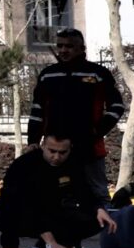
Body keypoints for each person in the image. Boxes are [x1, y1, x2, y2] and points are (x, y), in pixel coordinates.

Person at [0, 130, 115, 248]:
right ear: (43, 146)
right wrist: (50, 240)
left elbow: (83, 191)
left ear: (70, 149)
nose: (57, 157)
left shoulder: (72, 164)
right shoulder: (24, 165)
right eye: (52, 151)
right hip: (20, 212)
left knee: (96, 220)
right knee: (8, 211)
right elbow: (27, 205)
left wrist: (99, 209)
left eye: (62, 153)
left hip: (52, 211)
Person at [27, 28, 120, 190]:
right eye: (60, 46)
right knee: (51, 193)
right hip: (55, 150)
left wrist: (96, 131)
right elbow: (37, 111)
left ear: (81, 48)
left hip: (89, 149)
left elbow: (117, 106)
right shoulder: (47, 75)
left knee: (97, 194)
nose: (63, 50)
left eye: (69, 46)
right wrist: (33, 141)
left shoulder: (98, 73)